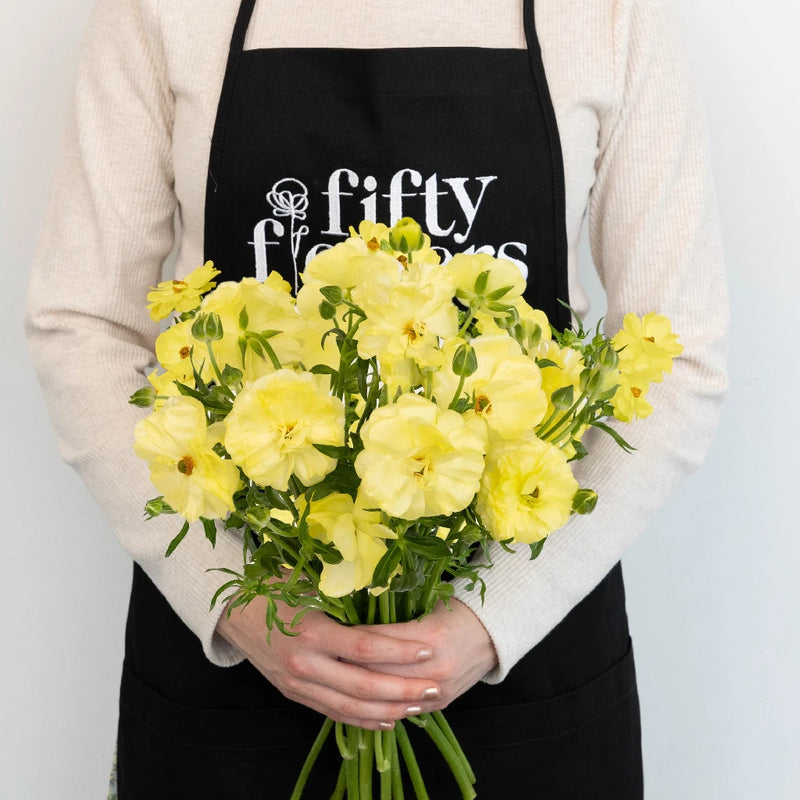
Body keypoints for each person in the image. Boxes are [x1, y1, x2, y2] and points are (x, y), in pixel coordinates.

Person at [26, 0, 728, 797]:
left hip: (526, 665)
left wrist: (494, 620)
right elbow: (82, 323)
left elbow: (680, 359)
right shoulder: (163, 12)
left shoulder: (606, 14)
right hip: (237, 667)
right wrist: (242, 606)